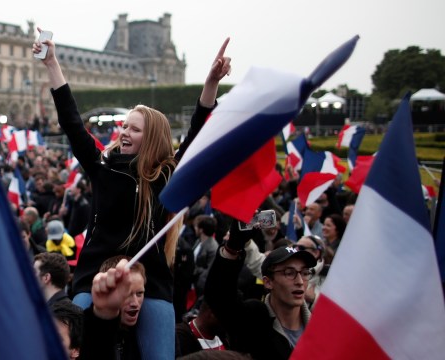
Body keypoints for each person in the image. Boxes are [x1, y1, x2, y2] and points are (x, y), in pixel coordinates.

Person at [34, 29, 231, 360]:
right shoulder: (102, 166)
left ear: (151, 138)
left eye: (133, 128)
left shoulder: (165, 175)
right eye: (124, 126)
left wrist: (211, 82)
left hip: (150, 280)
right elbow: (71, 121)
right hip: (95, 275)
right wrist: (51, 63)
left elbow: (198, 130)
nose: (123, 132)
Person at [205, 231, 317, 360]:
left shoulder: (322, 330)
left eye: (305, 272)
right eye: (289, 272)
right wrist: (232, 248)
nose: (299, 281)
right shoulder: (253, 320)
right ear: (268, 282)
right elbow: (219, 297)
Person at [80, 257, 147, 360]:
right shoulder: (82, 331)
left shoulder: (150, 334)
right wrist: (105, 312)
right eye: (127, 294)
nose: (135, 303)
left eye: (139, 293)